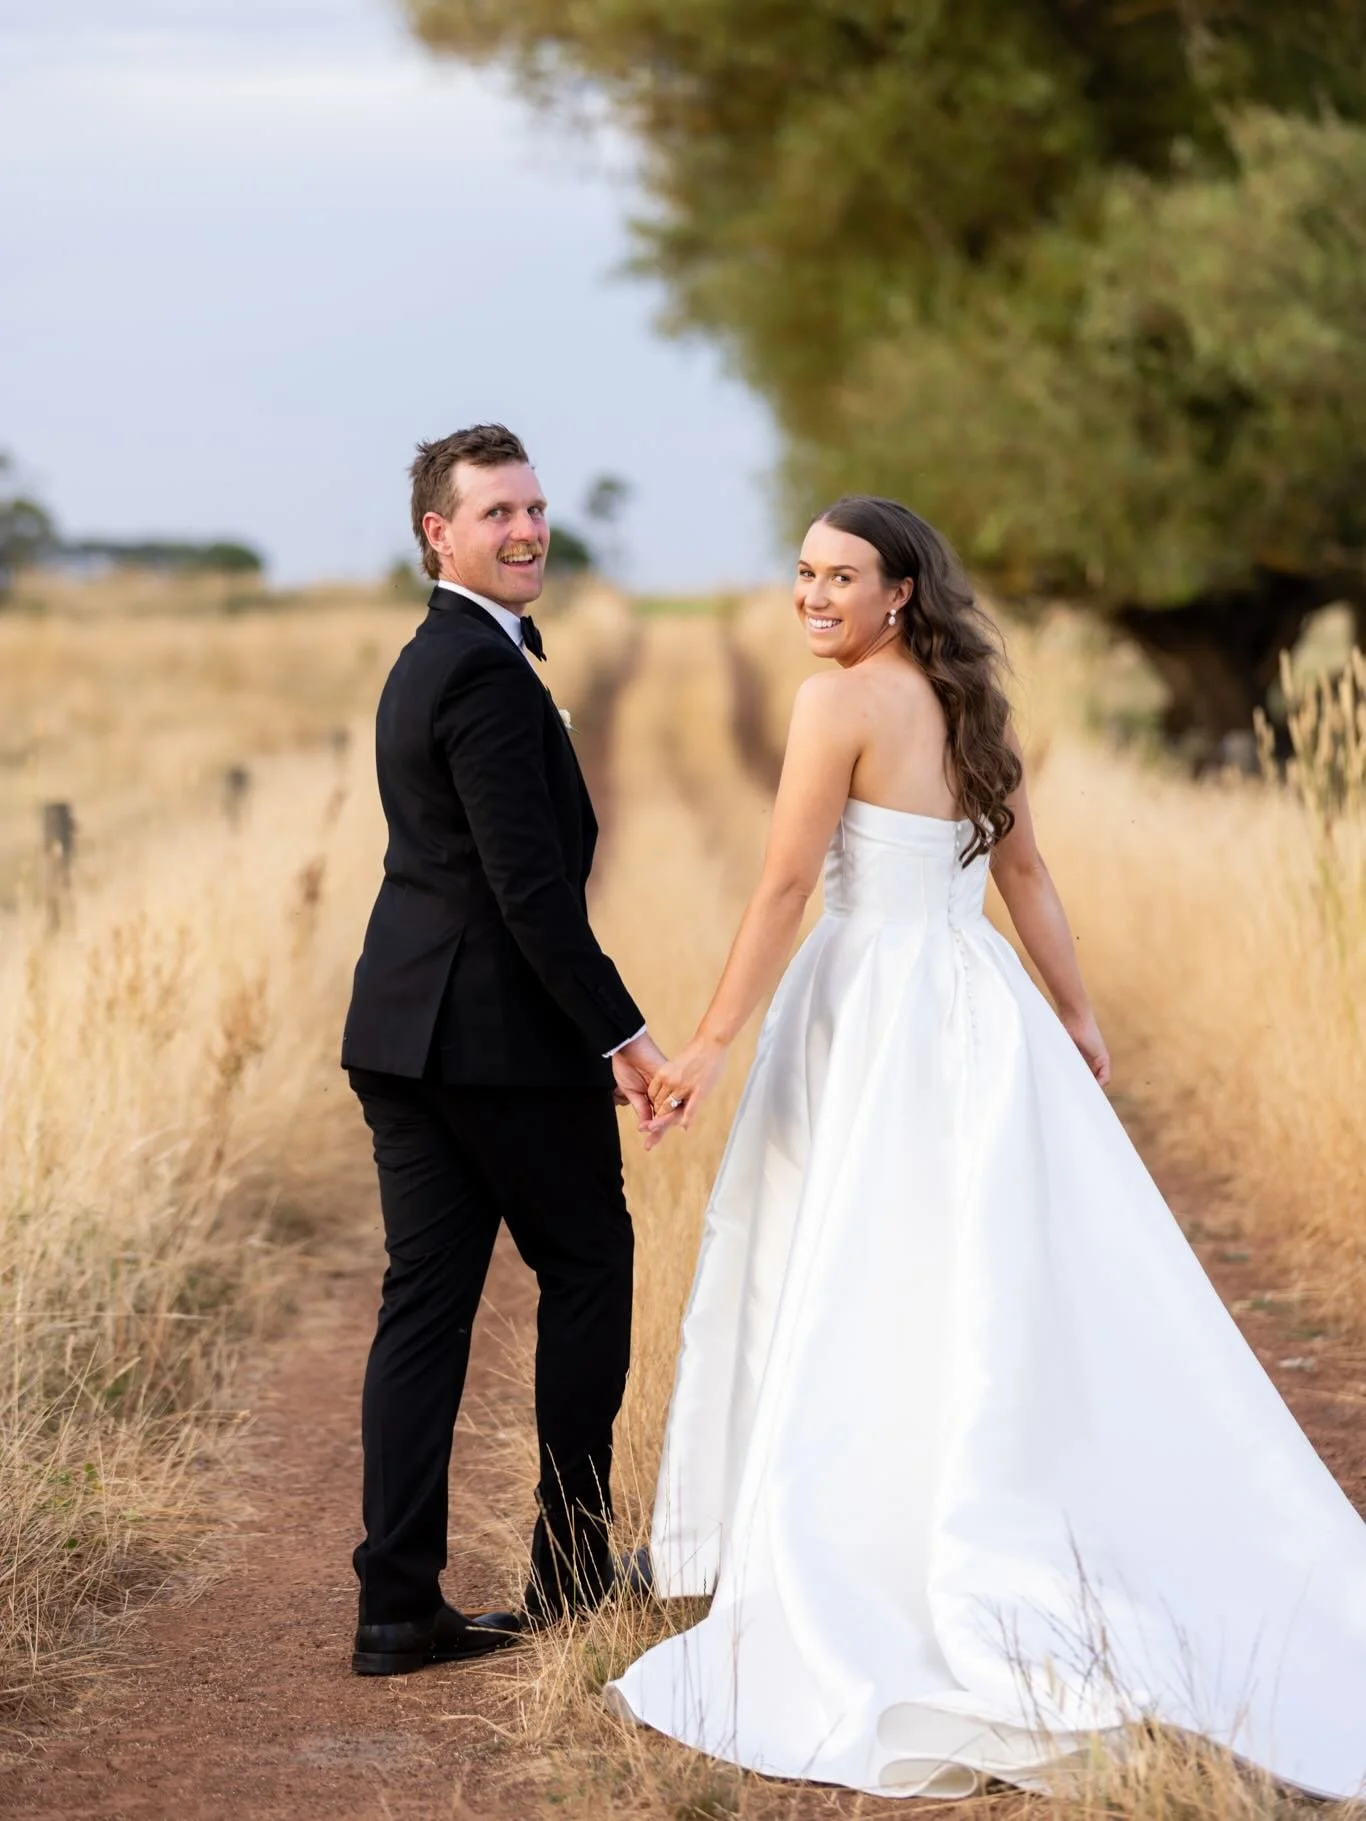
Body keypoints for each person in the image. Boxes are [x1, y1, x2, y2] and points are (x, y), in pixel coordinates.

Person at [606, 497, 1366, 1800]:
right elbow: (1025, 881)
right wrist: (1067, 1011)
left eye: (839, 576)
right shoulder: (968, 704)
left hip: (870, 1006)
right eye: (801, 573)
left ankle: (866, 1549)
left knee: (859, 1263)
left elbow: (788, 885)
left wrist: (710, 1044)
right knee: (979, 1273)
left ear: (899, 591)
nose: (811, 596)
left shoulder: (830, 707)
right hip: (973, 1005)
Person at [341, 424, 666, 1676]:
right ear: (439, 533)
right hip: (497, 1048)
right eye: (498, 514)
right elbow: (528, 894)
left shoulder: (434, 656)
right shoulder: (477, 671)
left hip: (402, 1035)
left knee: (423, 1312)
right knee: (589, 1267)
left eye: (535, 507)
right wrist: (626, 1038)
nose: (528, 529)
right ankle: (573, 1570)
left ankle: (396, 1607)